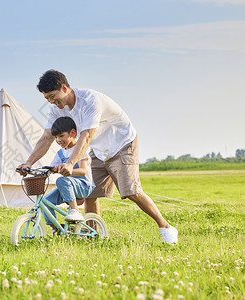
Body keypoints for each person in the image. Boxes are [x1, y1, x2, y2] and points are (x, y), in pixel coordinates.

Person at [17, 69, 178, 244]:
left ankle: (166, 227)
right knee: (90, 193)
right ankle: (92, 235)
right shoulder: (58, 109)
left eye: (53, 96)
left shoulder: (90, 101)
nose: (51, 101)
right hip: (98, 150)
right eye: (47, 98)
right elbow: (47, 137)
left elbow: (86, 136)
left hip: (122, 144)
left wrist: (71, 163)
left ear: (64, 87)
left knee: (131, 192)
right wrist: (28, 162)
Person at [40, 116, 95, 232]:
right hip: (66, 186)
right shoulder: (60, 153)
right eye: (55, 137)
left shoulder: (80, 149)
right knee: (45, 202)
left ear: (73, 133)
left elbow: (83, 171)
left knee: (61, 180)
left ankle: (75, 210)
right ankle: (56, 229)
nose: (58, 140)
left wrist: (68, 170)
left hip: (83, 185)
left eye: (61, 136)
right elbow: (53, 167)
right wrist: (48, 170)